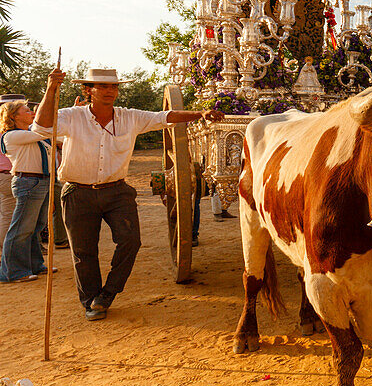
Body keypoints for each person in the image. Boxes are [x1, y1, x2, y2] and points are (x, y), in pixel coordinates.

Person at [33, 67, 224, 320]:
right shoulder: (72, 116)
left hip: (117, 192)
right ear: (88, 90)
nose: (110, 91)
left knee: (130, 241)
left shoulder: (130, 117)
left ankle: (108, 293)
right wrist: (51, 89)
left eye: (113, 87)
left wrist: (200, 113)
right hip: (78, 192)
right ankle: (91, 301)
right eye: (102, 87)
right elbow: (42, 127)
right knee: (83, 252)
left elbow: (164, 116)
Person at [0, 100, 52, 283]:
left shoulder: (31, 135)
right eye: (27, 110)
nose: (31, 113)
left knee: (35, 227)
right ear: (14, 116)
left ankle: (34, 265)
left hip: (40, 181)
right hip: (28, 181)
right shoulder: (12, 135)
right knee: (21, 228)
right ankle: (12, 272)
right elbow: (47, 131)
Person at [0, 94, 27, 249]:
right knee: (12, 217)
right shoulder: (12, 132)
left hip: (4, 175)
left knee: (7, 215)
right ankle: (8, 256)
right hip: (10, 174)